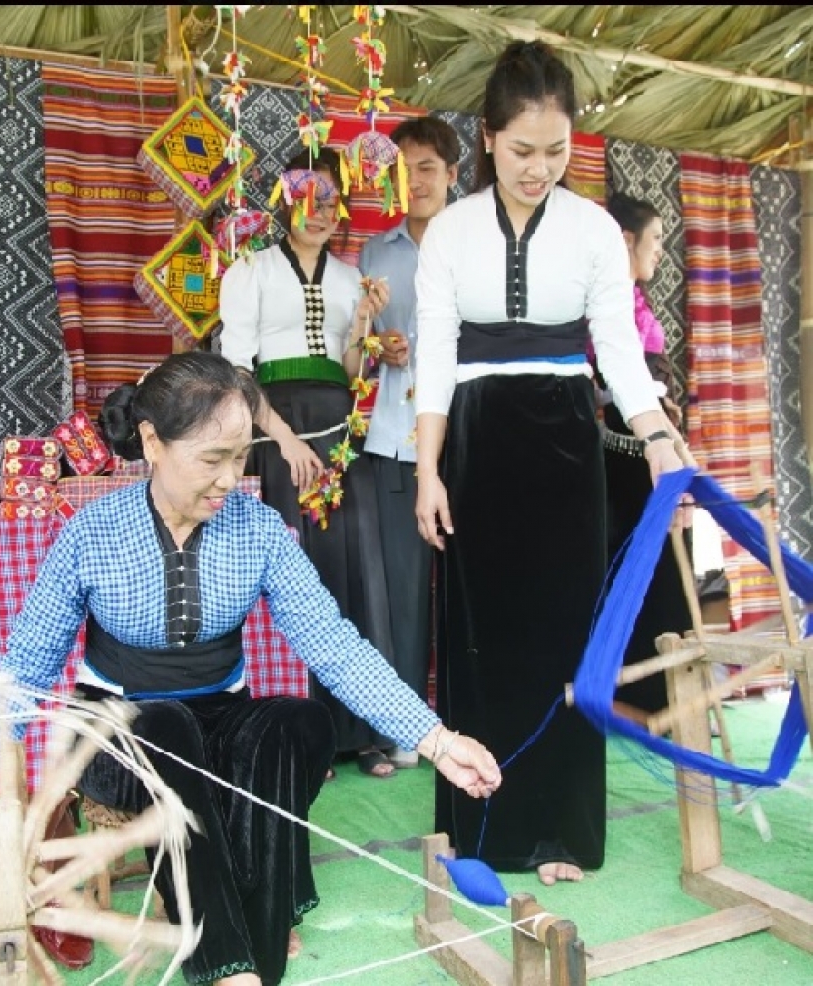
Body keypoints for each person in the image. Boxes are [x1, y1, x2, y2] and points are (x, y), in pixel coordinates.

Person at [0, 350, 502, 986]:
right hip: (118, 728)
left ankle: (251, 951)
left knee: (298, 723)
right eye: (211, 459)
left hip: (218, 712)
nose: (231, 480)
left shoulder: (258, 529)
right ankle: (229, 969)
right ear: (151, 442)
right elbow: (26, 667)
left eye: (241, 457)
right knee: (166, 732)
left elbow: (334, 646)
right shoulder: (91, 534)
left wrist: (437, 740)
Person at [412, 40, 688, 887]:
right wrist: (428, 472)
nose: (540, 168)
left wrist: (658, 436)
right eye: (524, 150)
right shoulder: (452, 232)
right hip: (479, 443)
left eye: (558, 151)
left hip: (567, 442)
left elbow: (619, 352)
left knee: (568, 634)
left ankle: (563, 832)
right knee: (482, 641)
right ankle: (484, 827)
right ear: (488, 138)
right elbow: (436, 360)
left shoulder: (595, 229)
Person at [218, 146, 399, 780]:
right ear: (286, 199)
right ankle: (302, 737)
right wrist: (286, 440)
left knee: (356, 568)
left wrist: (365, 329)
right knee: (299, 580)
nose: (322, 211)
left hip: (343, 435)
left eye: (332, 200)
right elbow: (239, 372)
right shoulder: (251, 270)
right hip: (277, 431)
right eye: (310, 197)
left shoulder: (352, 281)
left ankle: (365, 732)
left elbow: (353, 373)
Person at [356, 116, 462, 768]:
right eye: (405, 167)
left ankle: (469, 717)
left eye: (428, 167)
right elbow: (359, 353)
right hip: (394, 439)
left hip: (464, 438)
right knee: (398, 594)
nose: (416, 180)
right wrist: (380, 346)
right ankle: (404, 728)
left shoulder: (474, 247)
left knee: (467, 593)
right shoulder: (376, 253)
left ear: (453, 175)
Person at [597, 190, 694, 717]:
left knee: (666, 567)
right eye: (655, 240)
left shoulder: (636, 304)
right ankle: (641, 692)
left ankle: (668, 692)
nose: (660, 251)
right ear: (626, 240)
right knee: (638, 565)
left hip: (652, 452)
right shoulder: (606, 309)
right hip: (629, 457)